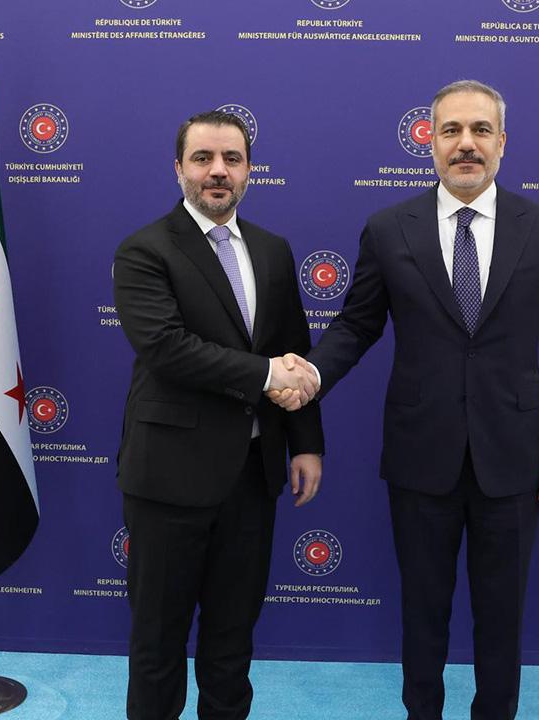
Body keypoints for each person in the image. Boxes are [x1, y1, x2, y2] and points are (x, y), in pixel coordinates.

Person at [274, 80, 539, 720]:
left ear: (502, 142)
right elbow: (357, 325)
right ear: (431, 142)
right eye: (451, 131)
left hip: (514, 457)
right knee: (422, 610)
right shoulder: (389, 228)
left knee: (503, 613)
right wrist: (310, 374)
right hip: (421, 456)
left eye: (480, 130)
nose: (465, 144)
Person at [112, 110, 324, 720]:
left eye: (232, 158)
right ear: (178, 168)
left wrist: (306, 442)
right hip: (168, 479)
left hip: (252, 476)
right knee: (158, 643)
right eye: (203, 158)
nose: (218, 171)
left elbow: (294, 348)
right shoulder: (145, 249)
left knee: (232, 642)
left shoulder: (273, 250)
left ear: (250, 170)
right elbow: (167, 348)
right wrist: (265, 375)